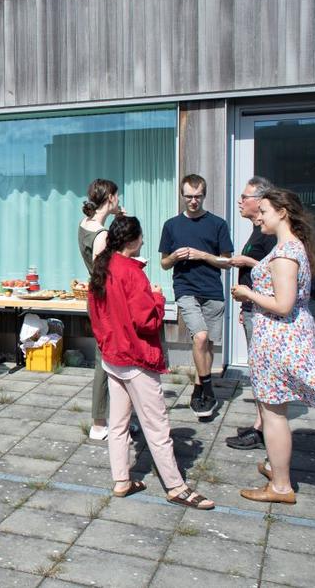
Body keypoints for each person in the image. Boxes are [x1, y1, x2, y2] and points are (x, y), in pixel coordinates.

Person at [89, 216, 214, 510]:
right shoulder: (132, 273)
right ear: (132, 241)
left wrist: (106, 344)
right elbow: (147, 322)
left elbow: (95, 314)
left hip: (113, 356)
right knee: (157, 426)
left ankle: (122, 480)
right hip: (136, 357)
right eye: (141, 237)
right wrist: (157, 298)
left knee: (118, 424)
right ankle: (176, 487)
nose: (144, 241)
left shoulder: (102, 267)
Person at [231, 188, 315, 504]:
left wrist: (248, 293)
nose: (258, 217)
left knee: (273, 414)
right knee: (275, 410)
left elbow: (284, 305)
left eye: (263, 211)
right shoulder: (291, 246)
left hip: (278, 339)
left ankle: (281, 486)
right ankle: (278, 470)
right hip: (281, 337)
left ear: (282, 212)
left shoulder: (286, 253)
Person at [159, 173, 233, 419]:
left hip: (212, 290)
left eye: (198, 196)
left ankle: (199, 388)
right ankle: (209, 390)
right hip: (185, 289)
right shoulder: (171, 225)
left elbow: (227, 262)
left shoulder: (218, 224)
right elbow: (164, 264)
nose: (193, 201)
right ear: (182, 195)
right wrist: (174, 257)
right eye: (189, 196)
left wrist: (203, 255)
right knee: (200, 337)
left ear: (204, 195)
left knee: (207, 344)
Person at [225, 176, 277, 451]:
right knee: (257, 370)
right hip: (252, 308)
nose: (240, 201)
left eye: (245, 197)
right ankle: (260, 425)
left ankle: (264, 430)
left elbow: (277, 270)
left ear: (260, 201)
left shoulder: (269, 233)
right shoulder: (258, 230)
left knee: (262, 372)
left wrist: (246, 261)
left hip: (262, 310)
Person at [77, 178, 121, 440]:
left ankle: (111, 418)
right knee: (105, 360)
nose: (119, 199)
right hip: (104, 301)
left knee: (106, 358)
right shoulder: (102, 235)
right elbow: (102, 275)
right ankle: (99, 423)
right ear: (111, 198)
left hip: (95, 300)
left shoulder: (85, 224)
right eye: (117, 196)